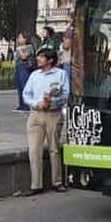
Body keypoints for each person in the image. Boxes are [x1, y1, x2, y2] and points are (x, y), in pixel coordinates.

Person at [21, 47, 69, 196]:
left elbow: (65, 94)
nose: (38, 59)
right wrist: (37, 104)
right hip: (35, 114)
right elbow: (26, 94)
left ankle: (57, 182)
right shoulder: (34, 75)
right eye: (38, 56)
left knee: (54, 148)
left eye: (41, 57)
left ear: (50, 60)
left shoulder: (61, 74)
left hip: (53, 114)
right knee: (34, 149)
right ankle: (36, 184)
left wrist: (51, 102)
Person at [13, 34, 36, 112]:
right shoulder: (18, 48)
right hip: (18, 67)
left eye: (21, 37)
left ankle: (26, 105)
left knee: (24, 86)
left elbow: (24, 57)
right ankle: (21, 105)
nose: (19, 39)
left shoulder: (29, 47)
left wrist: (19, 49)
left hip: (25, 67)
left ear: (26, 39)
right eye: (18, 37)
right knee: (19, 87)